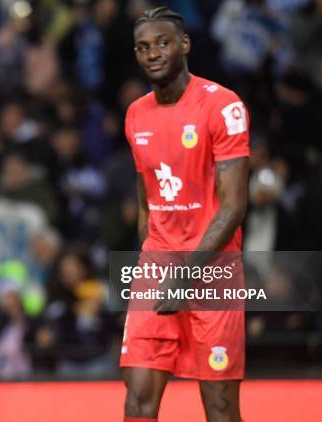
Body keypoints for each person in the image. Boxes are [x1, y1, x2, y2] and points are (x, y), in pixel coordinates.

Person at [120, 7, 249, 422]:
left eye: (162, 43)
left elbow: (234, 205)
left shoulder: (223, 105)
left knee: (220, 410)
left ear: (185, 45)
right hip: (158, 266)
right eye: (143, 47)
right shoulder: (136, 113)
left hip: (213, 271)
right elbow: (146, 199)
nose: (152, 53)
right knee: (138, 401)